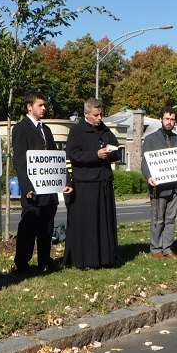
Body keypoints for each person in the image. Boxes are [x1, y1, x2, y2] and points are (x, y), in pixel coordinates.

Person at [12, 92, 72, 275]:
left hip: (49, 189)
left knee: (46, 226)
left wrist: (66, 179)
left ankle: (45, 261)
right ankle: (22, 263)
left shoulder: (46, 130)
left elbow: (56, 159)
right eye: (40, 105)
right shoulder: (21, 128)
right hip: (33, 189)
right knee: (28, 228)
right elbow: (19, 161)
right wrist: (27, 186)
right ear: (29, 106)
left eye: (44, 105)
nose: (44, 108)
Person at [63, 98, 120, 269]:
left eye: (101, 114)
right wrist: (95, 154)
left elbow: (117, 149)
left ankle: (105, 257)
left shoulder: (105, 130)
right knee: (88, 224)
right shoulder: (77, 131)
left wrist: (111, 152)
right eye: (96, 115)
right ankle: (87, 259)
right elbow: (73, 154)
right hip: (85, 183)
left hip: (103, 182)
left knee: (104, 223)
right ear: (86, 114)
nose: (99, 118)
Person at [141, 107, 177, 259]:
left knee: (170, 219)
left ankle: (168, 248)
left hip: (175, 186)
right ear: (161, 119)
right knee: (158, 219)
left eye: (172, 119)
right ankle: (156, 249)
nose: (169, 122)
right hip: (158, 187)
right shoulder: (151, 139)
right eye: (167, 119)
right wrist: (148, 177)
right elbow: (145, 163)